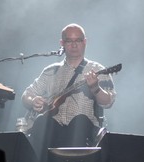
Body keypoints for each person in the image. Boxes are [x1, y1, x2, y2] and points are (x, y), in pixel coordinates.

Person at [22, 24, 116, 154]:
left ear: (85, 42)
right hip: (54, 130)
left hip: (83, 133)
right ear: (62, 43)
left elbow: (108, 102)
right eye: (69, 41)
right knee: (41, 122)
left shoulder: (98, 70)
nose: (74, 45)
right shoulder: (51, 71)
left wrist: (95, 88)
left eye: (78, 40)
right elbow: (27, 94)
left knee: (80, 121)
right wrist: (33, 101)